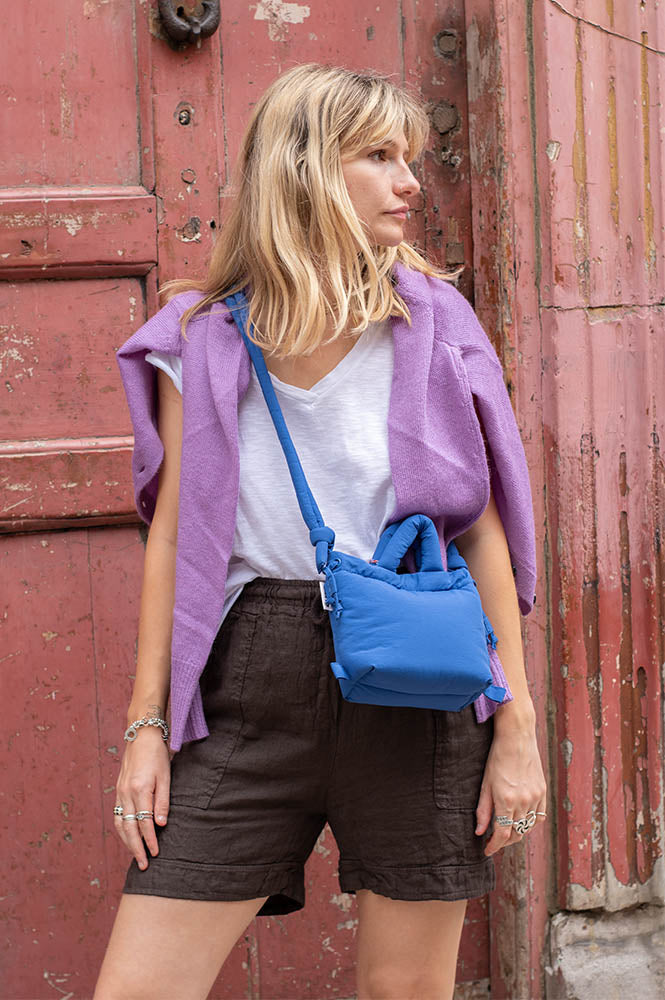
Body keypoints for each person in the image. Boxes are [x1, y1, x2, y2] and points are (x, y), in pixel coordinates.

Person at [94, 64, 546, 1000]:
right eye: (378, 156)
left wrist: (517, 726)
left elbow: (478, 534)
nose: (409, 182)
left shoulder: (430, 324)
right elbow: (173, 542)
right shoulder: (201, 337)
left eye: (408, 158)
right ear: (300, 168)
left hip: (418, 677)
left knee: (402, 990)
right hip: (245, 682)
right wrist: (146, 726)